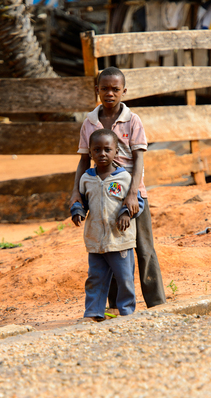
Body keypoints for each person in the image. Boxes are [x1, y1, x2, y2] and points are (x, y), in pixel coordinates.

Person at [69, 66, 166, 311]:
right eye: (105, 89)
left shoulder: (132, 120)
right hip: (101, 193)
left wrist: (133, 193)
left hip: (131, 193)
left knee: (144, 248)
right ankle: (114, 307)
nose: (109, 93)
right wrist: (75, 194)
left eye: (115, 89)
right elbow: (83, 161)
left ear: (124, 91)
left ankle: (156, 304)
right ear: (97, 90)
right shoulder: (89, 123)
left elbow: (139, 158)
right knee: (107, 248)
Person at [71, 129, 144, 321]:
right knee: (95, 278)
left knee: (124, 278)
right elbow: (82, 201)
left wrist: (127, 213)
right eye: (97, 150)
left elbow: (138, 203)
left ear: (116, 151)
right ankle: (93, 312)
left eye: (107, 149)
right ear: (90, 153)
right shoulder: (86, 178)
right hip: (96, 241)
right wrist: (77, 211)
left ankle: (127, 311)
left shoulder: (124, 178)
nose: (102, 154)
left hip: (120, 240)